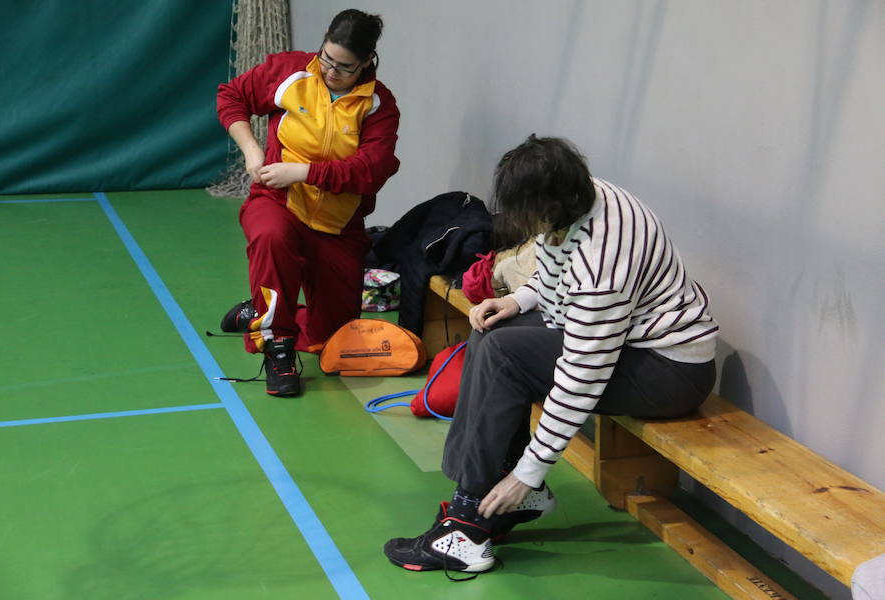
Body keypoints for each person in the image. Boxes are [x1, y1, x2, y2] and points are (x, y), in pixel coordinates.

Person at [383, 135, 719, 573]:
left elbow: (580, 379)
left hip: (668, 372)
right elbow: (556, 269)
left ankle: (467, 526)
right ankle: (488, 502)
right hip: (628, 343)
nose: (519, 222)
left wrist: (528, 474)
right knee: (494, 330)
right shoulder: (583, 197)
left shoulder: (603, 266)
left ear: (550, 206)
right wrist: (519, 300)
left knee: (503, 354)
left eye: (525, 213)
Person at [216, 9, 400, 397]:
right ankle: (277, 349)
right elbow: (232, 96)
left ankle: (259, 310)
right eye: (327, 58)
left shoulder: (379, 106)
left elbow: (371, 170)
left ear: (367, 62)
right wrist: (252, 151)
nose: (331, 71)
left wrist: (302, 172)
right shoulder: (292, 72)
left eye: (345, 67)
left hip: (337, 226)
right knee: (272, 237)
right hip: (278, 203)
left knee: (330, 343)